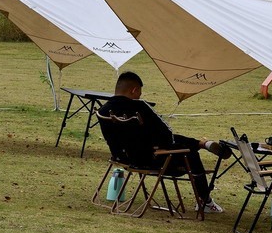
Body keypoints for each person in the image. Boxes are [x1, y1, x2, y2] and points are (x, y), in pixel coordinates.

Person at [98, 71, 230, 214]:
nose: (139, 96)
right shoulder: (139, 107)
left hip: (122, 157)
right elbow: (166, 135)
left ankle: (201, 143)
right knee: (189, 154)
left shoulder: (104, 110)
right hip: (151, 160)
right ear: (134, 90)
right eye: (139, 93)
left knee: (172, 142)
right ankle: (205, 200)